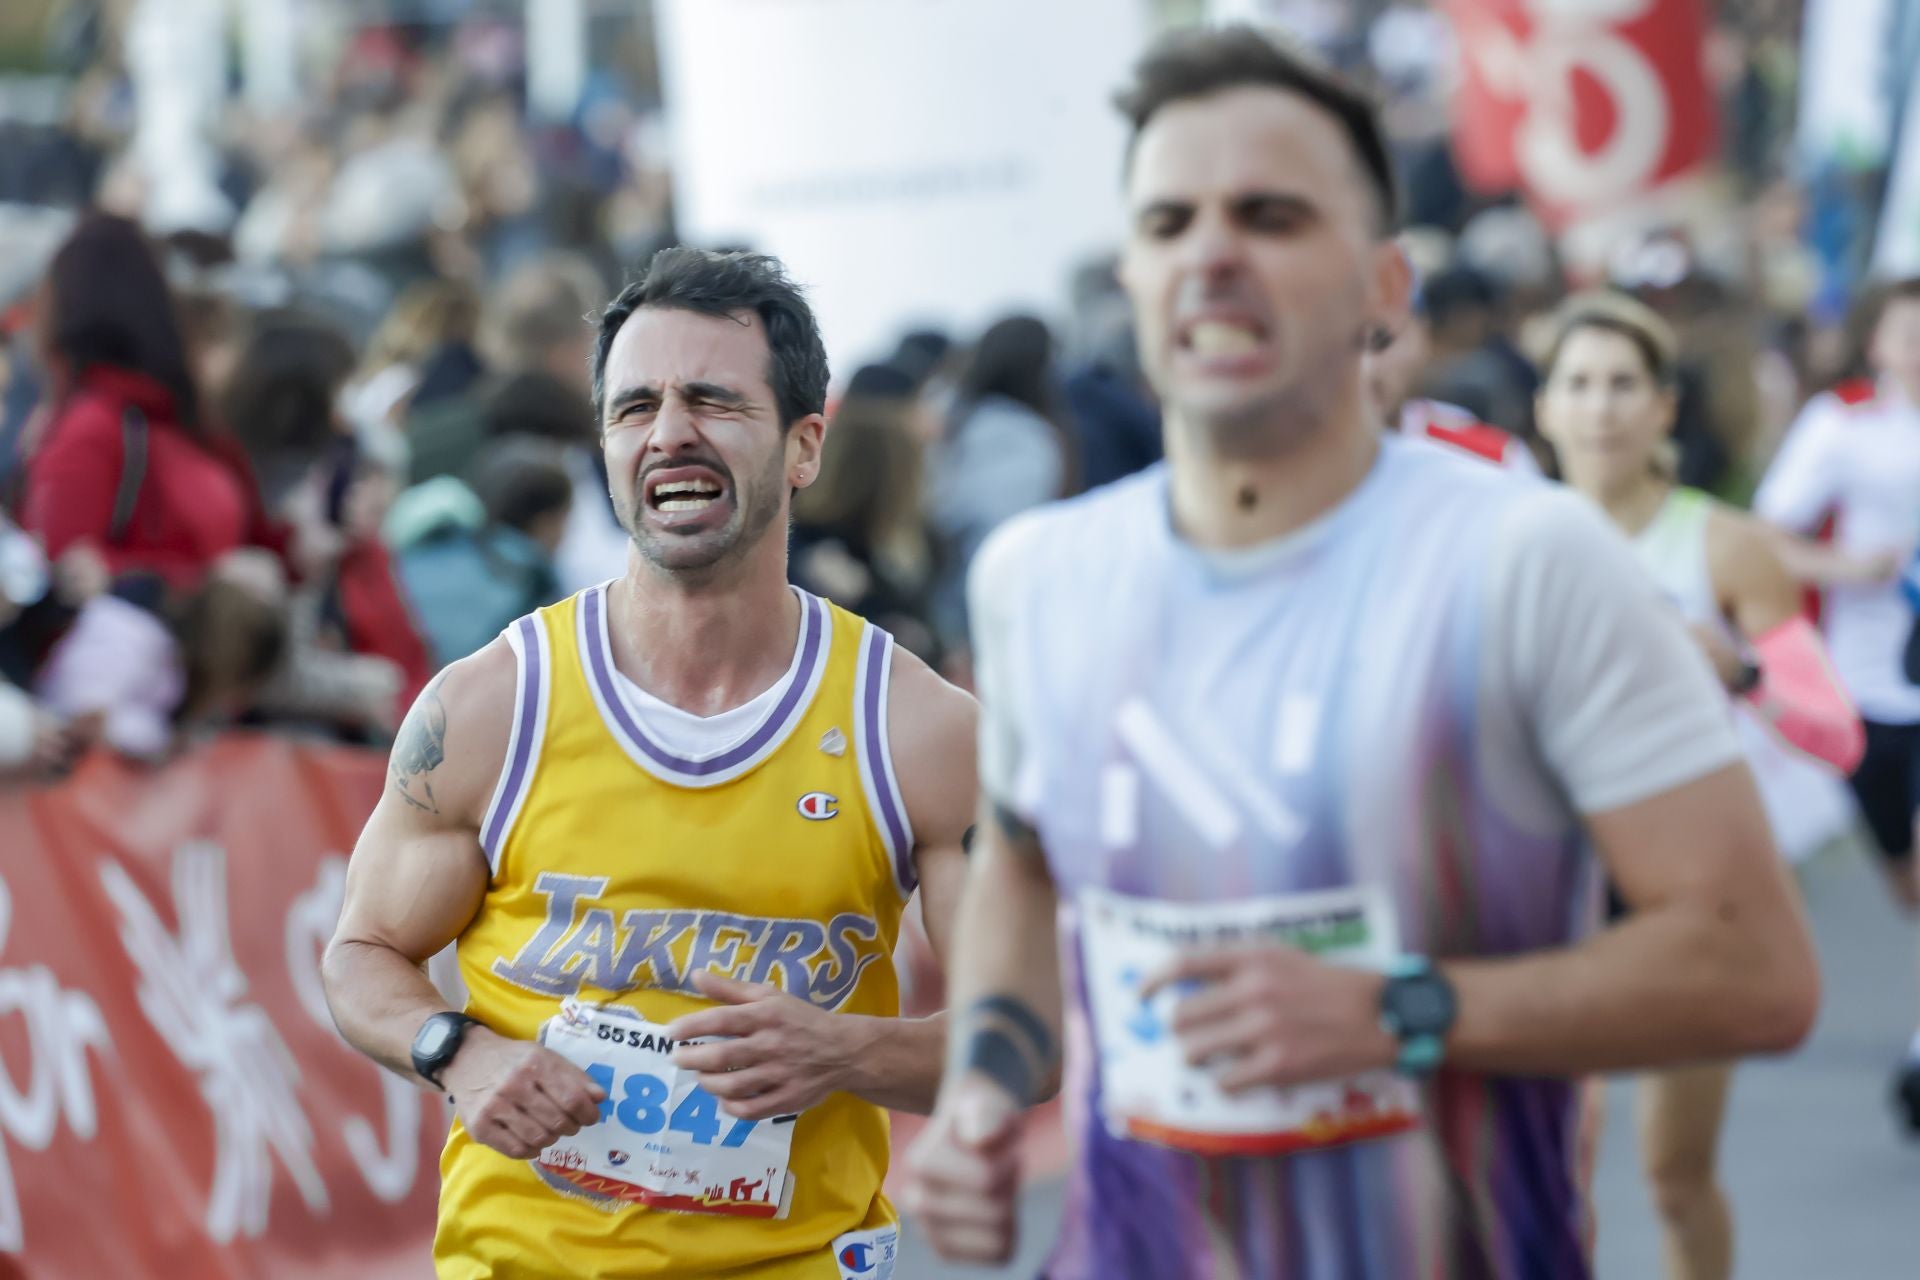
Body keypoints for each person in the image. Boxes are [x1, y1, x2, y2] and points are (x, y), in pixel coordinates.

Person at [904, 28, 1817, 1279]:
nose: (1213, 253)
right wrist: (981, 1089)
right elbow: (1018, 861)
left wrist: (1409, 1009)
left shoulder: (1527, 557)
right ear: (1133, 268)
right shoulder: (1036, 577)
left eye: (1271, 215)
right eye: (1171, 221)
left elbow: (1757, 966)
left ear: (1387, 287)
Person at [322, 247, 978, 1277]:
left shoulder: (915, 726)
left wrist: (845, 1050)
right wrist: (460, 1049)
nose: (669, 431)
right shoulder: (490, 706)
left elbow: (1032, 1036)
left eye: (714, 399)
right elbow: (361, 952)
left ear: (806, 445)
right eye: (635, 407)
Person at [1535, 290, 1862, 1280]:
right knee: (1557, 1165)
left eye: (1623, 385)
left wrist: (1741, 670)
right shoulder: (1506, 540)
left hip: (1685, 885)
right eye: (1578, 385)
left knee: (1674, 1174)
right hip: (1545, 882)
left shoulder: (1722, 544)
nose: (1601, 409)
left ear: (1664, 407)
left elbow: (1836, 730)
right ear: (1545, 407)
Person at [1754, 275, 1920, 1129]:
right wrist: (1848, 569)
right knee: (1907, 881)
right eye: (1909, 333)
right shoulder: (1843, 427)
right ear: (1877, 345)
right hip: (1868, 689)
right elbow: (1768, 537)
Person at [926, 314, 1077, 657]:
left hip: (941, 607)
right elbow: (1002, 536)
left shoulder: (950, 417)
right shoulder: (1023, 438)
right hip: (988, 621)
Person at [1363, 269, 1540, 473]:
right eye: (1339, 343)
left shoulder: (1492, 461)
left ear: (1422, 335)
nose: (1366, 367)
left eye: (1381, 340)